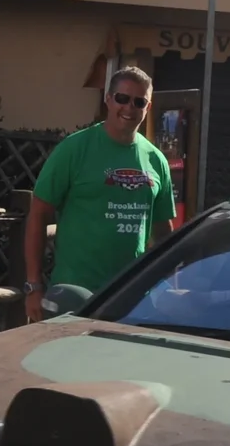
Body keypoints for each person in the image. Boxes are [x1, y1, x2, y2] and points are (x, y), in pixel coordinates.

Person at [22, 67, 176, 320]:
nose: (129, 108)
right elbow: (38, 215)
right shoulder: (74, 149)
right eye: (122, 98)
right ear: (108, 98)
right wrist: (33, 286)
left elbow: (163, 232)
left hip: (130, 297)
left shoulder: (156, 160)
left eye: (139, 102)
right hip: (73, 295)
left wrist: (168, 284)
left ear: (148, 107)